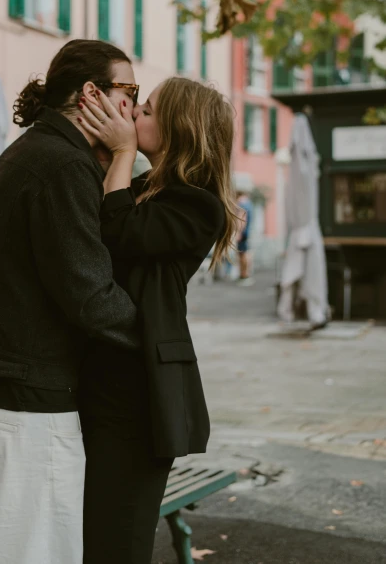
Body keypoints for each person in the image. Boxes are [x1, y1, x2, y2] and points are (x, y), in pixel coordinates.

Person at [0, 39, 142, 564]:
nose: (134, 107)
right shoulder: (62, 165)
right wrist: (160, 333)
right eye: (130, 91)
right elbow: (93, 298)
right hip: (24, 406)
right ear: (91, 95)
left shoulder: (37, 151)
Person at [77, 77, 238, 564]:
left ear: (177, 130)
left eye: (145, 110)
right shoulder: (145, 186)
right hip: (102, 382)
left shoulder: (198, 205)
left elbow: (118, 233)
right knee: (88, 534)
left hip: (140, 398)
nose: (132, 115)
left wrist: (122, 154)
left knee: (118, 542)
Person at [236, 190, 254, 286]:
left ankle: (244, 275)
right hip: (246, 232)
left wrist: (239, 232)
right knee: (245, 253)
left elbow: (242, 219)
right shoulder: (249, 204)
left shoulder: (242, 204)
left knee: (242, 254)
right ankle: (245, 274)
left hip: (242, 233)